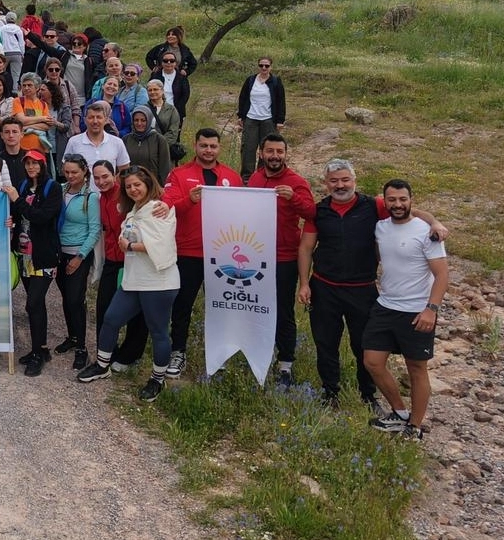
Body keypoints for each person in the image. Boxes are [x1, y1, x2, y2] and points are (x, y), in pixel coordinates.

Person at [298, 161, 448, 410]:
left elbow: (407, 210)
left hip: (362, 289)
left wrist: (434, 222)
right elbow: (305, 248)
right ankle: (330, 392)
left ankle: (368, 395)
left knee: (364, 346)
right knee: (325, 343)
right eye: (334, 181)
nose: (340, 185)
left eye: (345, 179)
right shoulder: (318, 211)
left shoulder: (373, 206)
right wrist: (304, 283)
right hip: (324, 287)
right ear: (326, 184)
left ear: (354, 181)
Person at [77, 167, 180, 402]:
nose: (133, 189)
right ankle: (102, 365)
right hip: (134, 279)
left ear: (148, 184)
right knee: (111, 318)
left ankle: (157, 379)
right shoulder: (134, 210)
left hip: (158, 282)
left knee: (158, 331)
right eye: (128, 186)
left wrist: (130, 246)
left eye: (137, 185)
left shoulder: (159, 208)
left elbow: (162, 244)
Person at [363, 180, 449, 440]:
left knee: (416, 369)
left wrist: (431, 310)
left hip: (417, 310)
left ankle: (415, 426)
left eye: (403, 199)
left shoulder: (427, 232)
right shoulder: (380, 227)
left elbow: (442, 275)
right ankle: (399, 414)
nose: (398, 204)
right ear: (385, 201)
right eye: (392, 200)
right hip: (386, 305)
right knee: (372, 362)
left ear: (411, 199)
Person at [161, 129, 243, 378]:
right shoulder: (179, 174)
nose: (208, 150)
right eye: (204, 145)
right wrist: (189, 200)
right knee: (182, 305)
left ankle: (220, 353)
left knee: (221, 306)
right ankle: (178, 351)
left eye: (213, 146)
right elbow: (167, 207)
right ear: (195, 146)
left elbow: (243, 212)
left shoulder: (232, 176)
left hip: (222, 255)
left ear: (219, 148)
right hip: (189, 252)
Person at [244, 134, 316, 390]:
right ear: (261, 153)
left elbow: (312, 213)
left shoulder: (296, 182)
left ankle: (285, 364)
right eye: (270, 151)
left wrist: (293, 198)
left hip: (284, 258)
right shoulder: (255, 178)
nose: (275, 156)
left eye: (279, 151)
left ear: (286, 153)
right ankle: (259, 354)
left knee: (283, 311)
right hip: (255, 256)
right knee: (256, 307)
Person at [12, 149, 63, 375]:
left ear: (43, 165)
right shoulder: (24, 186)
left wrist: (17, 200)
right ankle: (40, 348)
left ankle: (37, 354)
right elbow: (18, 214)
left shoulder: (53, 188)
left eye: (36, 163)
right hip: (25, 254)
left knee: (32, 303)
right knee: (36, 303)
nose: (31, 167)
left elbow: (41, 217)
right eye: (28, 163)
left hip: (44, 256)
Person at [52, 154, 101, 370]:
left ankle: (82, 347)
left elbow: (95, 230)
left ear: (84, 172)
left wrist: (80, 257)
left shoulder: (91, 198)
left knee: (75, 299)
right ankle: (72, 337)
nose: (70, 176)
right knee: (66, 297)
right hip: (59, 252)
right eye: (67, 172)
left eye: (75, 172)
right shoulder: (60, 190)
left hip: (78, 253)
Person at [236, 56, 286, 177]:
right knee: (248, 148)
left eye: (266, 66)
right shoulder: (250, 80)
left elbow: (281, 101)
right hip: (251, 119)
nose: (264, 68)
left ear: (271, 67)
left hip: (268, 120)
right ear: (258, 66)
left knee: (267, 148)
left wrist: (280, 120)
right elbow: (243, 98)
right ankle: (247, 177)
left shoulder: (275, 81)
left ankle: (262, 175)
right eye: (261, 65)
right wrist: (241, 116)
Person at [64, 101, 130, 173]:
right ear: (85, 120)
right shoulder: (73, 142)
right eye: (91, 117)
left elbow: (124, 170)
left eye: (99, 117)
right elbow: (66, 169)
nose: (95, 121)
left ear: (106, 120)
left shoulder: (117, 142)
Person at [123, 105, 172, 184]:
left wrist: (163, 186)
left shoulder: (159, 140)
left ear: (149, 120)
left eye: (143, 120)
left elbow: (165, 168)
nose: (139, 123)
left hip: (153, 186)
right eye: (136, 120)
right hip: (132, 186)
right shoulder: (126, 140)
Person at [145, 80, 184, 163]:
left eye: (155, 89)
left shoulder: (171, 110)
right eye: (150, 90)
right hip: (145, 149)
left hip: (164, 150)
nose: (152, 92)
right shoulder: (143, 109)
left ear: (162, 91)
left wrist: (158, 145)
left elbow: (173, 133)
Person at [149, 49, 192, 121]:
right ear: (161, 63)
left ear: (175, 63)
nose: (169, 63)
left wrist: (176, 109)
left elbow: (185, 95)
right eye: (165, 61)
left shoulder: (181, 77)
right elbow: (149, 91)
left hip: (175, 111)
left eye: (172, 61)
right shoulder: (155, 75)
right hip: (156, 110)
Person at [0, 10, 25, 85]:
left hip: (5, 52)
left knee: (1, 72)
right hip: (16, 53)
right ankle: (15, 89)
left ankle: (3, 87)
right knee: (16, 74)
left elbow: (0, 41)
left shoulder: (2, 29)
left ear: (6, 19)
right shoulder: (18, 29)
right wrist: (22, 54)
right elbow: (21, 43)